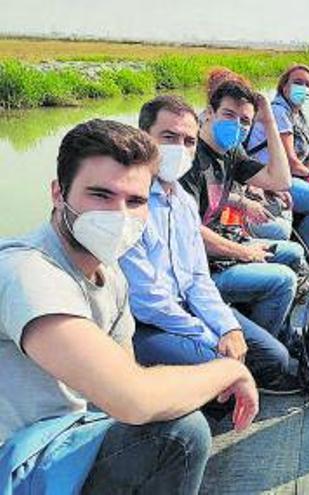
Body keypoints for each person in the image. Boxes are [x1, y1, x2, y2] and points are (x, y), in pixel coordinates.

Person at [0, 119, 258, 494]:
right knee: (180, 433)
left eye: (135, 201)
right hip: (16, 460)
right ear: (58, 194)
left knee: (175, 409)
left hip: (68, 440)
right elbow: (132, 399)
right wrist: (229, 371)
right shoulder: (26, 271)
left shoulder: (112, 275)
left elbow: (124, 375)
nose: (119, 215)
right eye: (100, 195)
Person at [120, 95, 300, 395]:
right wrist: (211, 336)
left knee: (274, 359)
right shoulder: (128, 202)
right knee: (226, 370)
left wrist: (228, 327)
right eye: (168, 137)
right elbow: (148, 302)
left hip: (188, 306)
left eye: (188, 141)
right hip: (147, 323)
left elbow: (197, 279)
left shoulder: (182, 202)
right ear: (143, 139)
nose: (179, 149)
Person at [180, 71, 304, 334]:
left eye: (245, 121)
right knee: (283, 280)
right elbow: (189, 230)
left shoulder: (231, 153)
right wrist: (244, 254)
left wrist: (269, 119)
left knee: (293, 253)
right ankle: (260, 348)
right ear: (210, 113)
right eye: (228, 115)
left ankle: (268, 326)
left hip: (224, 244)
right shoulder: (191, 159)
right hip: (202, 266)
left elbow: (281, 180)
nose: (237, 125)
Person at [245, 64, 309, 261]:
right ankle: (304, 256)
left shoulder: (296, 112)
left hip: (291, 172)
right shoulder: (279, 112)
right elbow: (292, 163)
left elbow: (303, 152)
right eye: (298, 82)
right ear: (284, 87)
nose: (303, 88)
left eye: (308, 84)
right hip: (272, 178)